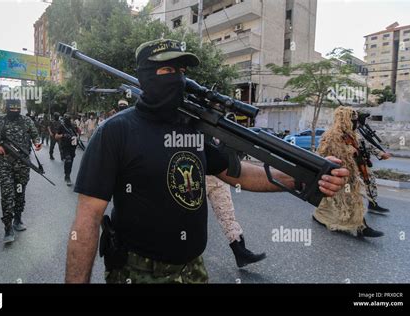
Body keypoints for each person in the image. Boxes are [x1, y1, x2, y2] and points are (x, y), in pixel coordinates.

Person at [65, 39, 348, 284]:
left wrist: (304, 177)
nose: (177, 78)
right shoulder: (115, 132)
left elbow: (239, 174)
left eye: (182, 70)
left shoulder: (193, 128)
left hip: (193, 270)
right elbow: (87, 221)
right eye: (167, 70)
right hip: (137, 271)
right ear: (145, 75)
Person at [313, 106, 383, 238]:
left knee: (340, 199)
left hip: (349, 175)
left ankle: (320, 216)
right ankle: (361, 226)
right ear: (345, 120)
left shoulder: (351, 135)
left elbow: (360, 150)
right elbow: (322, 153)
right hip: (337, 175)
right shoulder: (332, 136)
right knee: (349, 199)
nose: (356, 123)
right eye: (353, 120)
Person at [0, 100, 42, 243]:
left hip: (22, 166)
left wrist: (37, 142)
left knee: (19, 192)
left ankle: (17, 218)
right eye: (12, 109)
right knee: (7, 194)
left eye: (17, 109)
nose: (15, 111)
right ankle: (7, 227)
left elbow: (35, 135)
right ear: (7, 108)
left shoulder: (26, 121)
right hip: (4, 165)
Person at [206, 176, 266, 268]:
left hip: (218, 175)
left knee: (227, 216)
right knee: (190, 216)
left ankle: (241, 253)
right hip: (193, 176)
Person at [364, 142, 392, 214]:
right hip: (349, 163)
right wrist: (381, 154)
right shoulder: (340, 133)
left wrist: (381, 154)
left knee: (370, 181)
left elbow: (365, 144)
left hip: (359, 162)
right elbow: (364, 144)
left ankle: (372, 204)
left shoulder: (354, 133)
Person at [55, 113, 80, 186]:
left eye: (69, 119)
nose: (69, 121)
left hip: (72, 146)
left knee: (71, 161)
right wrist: (63, 135)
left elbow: (77, 133)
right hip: (65, 146)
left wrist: (76, 137)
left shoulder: (72, 125)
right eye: (67, 119)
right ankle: (67, 176)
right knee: (68, 160)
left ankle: (67, 174)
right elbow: (56, 136)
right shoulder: (61, 126)